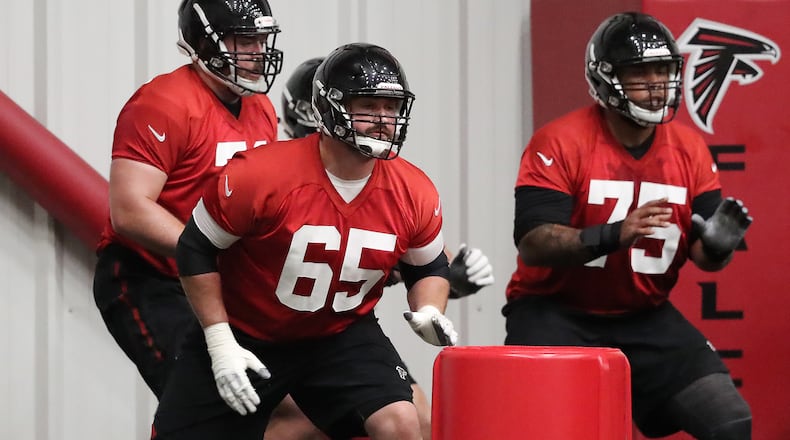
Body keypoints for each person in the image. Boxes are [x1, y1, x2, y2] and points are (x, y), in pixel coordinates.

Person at [152, 42, 461, 440]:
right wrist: (219, 338)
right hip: (250, 330)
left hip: (340, 334)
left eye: (391, 106)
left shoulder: (413, 191)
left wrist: (430, 309)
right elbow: (196, 248)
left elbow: (429, 266)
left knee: (402, 423)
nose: (384, 119)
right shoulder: (262, 175)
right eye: (368, 105)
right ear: (330, 107)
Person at [503, 12, 753, 440]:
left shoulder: (689, 148)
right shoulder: (561, 140)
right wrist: (613, 234)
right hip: (555, 312)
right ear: (605, 78)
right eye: (640, 71)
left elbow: (702, 256)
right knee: (552, 430)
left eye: (663, 69)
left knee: (729, 420)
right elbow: (534, 243)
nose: (656, 84)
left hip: (645, 317)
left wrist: (715, 247)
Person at [268, 56, 495, 440]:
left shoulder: (390, 181)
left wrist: (445, 280)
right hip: (272, 326)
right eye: (364, 109)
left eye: (382, 108)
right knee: (305, 420)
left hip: (341, 330)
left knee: (415, 418)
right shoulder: (274, 176)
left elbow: (413, 255)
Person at [92, 0, 283, 400]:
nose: (258, 53)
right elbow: (129, 210)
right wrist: (204, 251)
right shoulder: (164, 102)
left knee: (277, 402)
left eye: (261, 40)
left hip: (222, 280)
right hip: (151, 276)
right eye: (244, 40)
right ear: (205, 43)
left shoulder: (261, 108)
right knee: (198, 400)